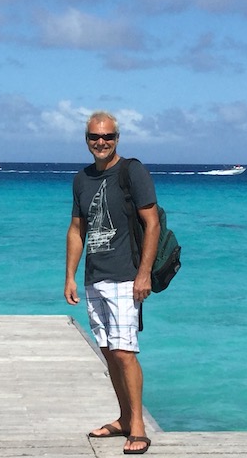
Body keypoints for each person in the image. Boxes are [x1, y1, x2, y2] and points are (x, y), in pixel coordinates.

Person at [64, 111, 160, 455]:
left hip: (125, 276)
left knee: (124, 352)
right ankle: (122, 418)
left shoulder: (132, 171)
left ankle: (138, 426)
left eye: (108, 137)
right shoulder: (82, 179)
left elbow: (152, 224)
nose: (101, 142)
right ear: (86, 140)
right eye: (94, 137)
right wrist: (70, 277)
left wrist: (144, 274)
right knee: (108, 351)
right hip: (94, 277)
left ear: (117, 138)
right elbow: (77, 230)